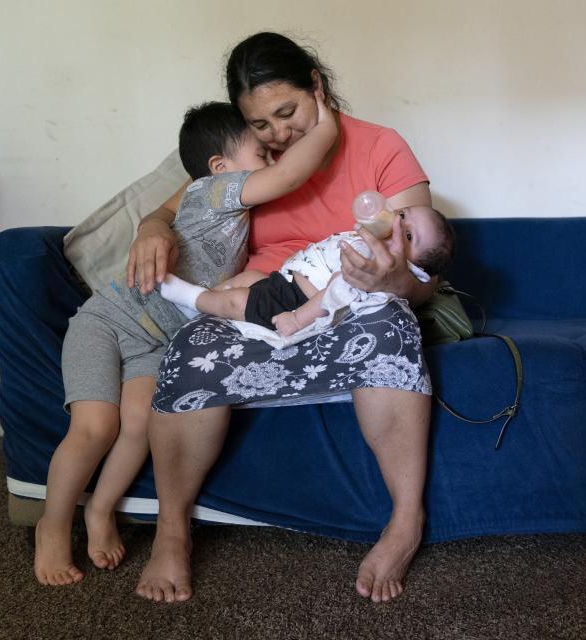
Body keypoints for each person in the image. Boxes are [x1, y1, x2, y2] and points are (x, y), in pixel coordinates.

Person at [129, 32, 438, 604]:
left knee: (391, 326)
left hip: (348, 301)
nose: (276, 135)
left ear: (316, 87)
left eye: (287, 112)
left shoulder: (380, 147)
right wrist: (151, 229)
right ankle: (172, 533)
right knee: (194, 347)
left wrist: (389, 281)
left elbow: (424, 267)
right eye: (261, 124)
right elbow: (179, 203)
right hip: (264, 305)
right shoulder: (256, 160)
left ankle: (404, 521)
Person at [33, 93, 337, 586]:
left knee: (139, 426)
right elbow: (286, 177)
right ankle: (53, 523)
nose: (270, 159)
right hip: (110, 321)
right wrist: (324, 125)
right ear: (220, 167)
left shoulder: (233, 210)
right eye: (260, 153)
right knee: (95, 426)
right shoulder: (213, 192)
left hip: (158, 343)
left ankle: (100, 511)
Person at [160, 204, 455, 346]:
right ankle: (196, 311)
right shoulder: (371, 241)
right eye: (402, 214)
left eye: (408, 235)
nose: (396, 223)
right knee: (248, 279)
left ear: (415, 267)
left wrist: (297, 318)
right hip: (285, 281)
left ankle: (185, 294)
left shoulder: (372, 268)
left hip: (295, 303)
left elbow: (334, 292)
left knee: (238, 300)